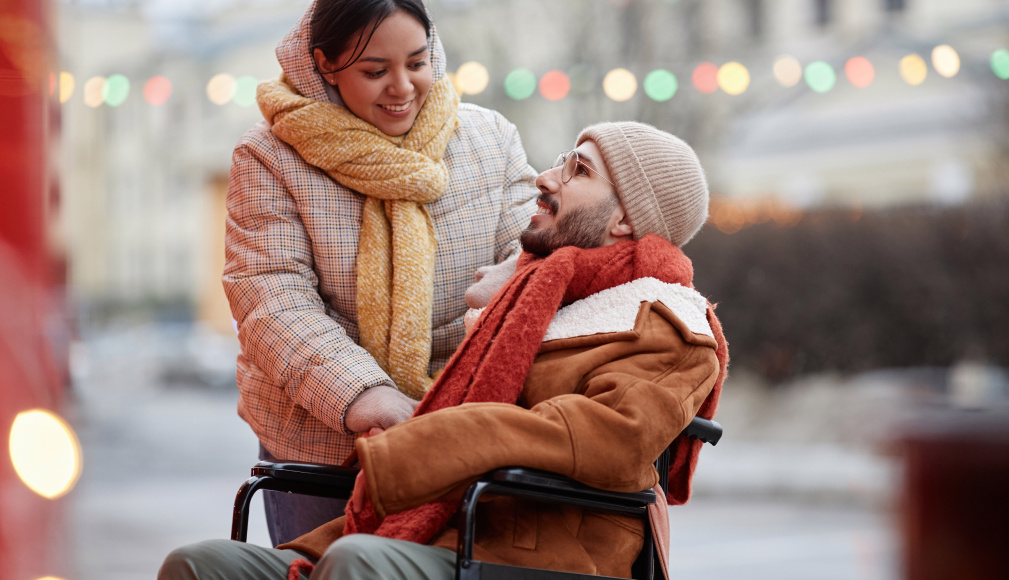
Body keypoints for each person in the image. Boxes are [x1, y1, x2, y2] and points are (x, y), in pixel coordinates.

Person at [161, 121, 729, 580]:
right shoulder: (534, 300)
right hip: (446, 529)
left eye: (578, 170)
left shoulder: (667, 322)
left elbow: (610, 441)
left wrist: (432, 443)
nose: (547, 178)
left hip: (537, 552)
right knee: (199, 565)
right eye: (562, 158)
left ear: (627, 216)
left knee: (358, 563)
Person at [224, 0, 537, 545]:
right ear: (325, 65)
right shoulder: (269, 156)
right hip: (323, 446)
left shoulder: (491, 141)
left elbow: (532, 267)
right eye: (375, 72)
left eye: (417, 62)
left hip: (465, 441)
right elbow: (271, 299)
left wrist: (456, 414)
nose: (403, 87)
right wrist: (369, 399)